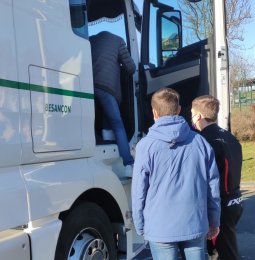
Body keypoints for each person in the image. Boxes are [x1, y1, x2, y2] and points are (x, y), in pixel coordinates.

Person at [132, 88, 221, 260]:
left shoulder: (145, 146)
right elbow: (213, 187)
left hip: (160, 227)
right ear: (179, 110)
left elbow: (138, 191)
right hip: (194, 223)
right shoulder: (201, 143)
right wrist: (214, 221)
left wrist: (140, 224)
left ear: (154, 113)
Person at [191, 95, 243, 260]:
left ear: (198, 116)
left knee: (225, 254)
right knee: (220, 252)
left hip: (220, 205)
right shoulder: (231, 137)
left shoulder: (203, 140)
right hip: (235, 201)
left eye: (192, 114)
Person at [90, 31, 136, 177]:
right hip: (107, 87)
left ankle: (104, 159)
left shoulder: (91, 40)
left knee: (98, 121)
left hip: (88, 86)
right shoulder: (118, 40)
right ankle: (128, 164)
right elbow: (131, 67)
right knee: (117, 124)